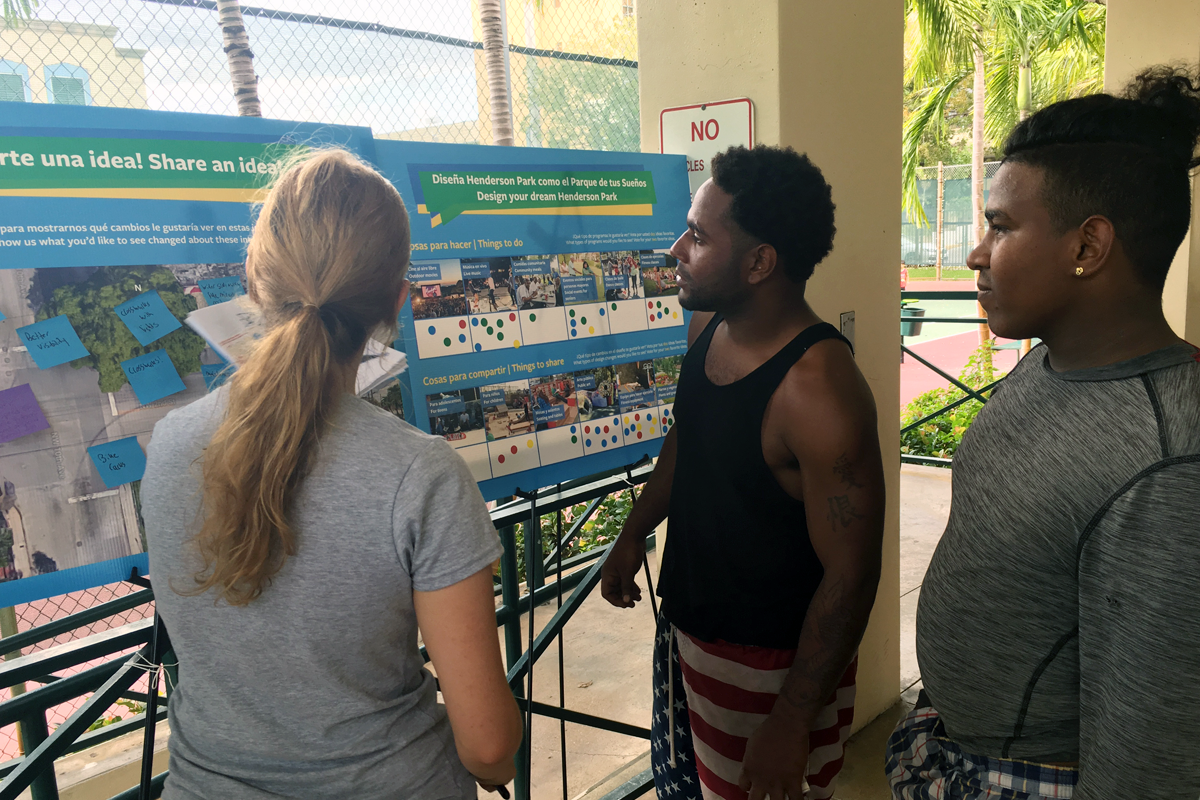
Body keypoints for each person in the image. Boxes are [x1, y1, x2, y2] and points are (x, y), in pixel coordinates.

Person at [141, 150, 523, 800]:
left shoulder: (171, 442)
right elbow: (488, 747)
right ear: (397, 300)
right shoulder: (419, 475)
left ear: (252, 282)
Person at [888, 66, 1200, 800]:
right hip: (959, 752)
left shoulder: (1167, 464)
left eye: (998, 226)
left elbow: (1150, 761)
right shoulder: (1049, 364)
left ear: (1087, 247)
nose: (975, 253)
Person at [601, 145, 886, 800]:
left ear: (759, 262)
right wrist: (632, 531)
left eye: (698, 236)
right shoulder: (708, 325)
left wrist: (791, 720)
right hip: (688, 632)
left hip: (772, 671)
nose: (676, 249)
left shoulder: (819, 390)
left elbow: (853, 571)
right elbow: (691, 437)